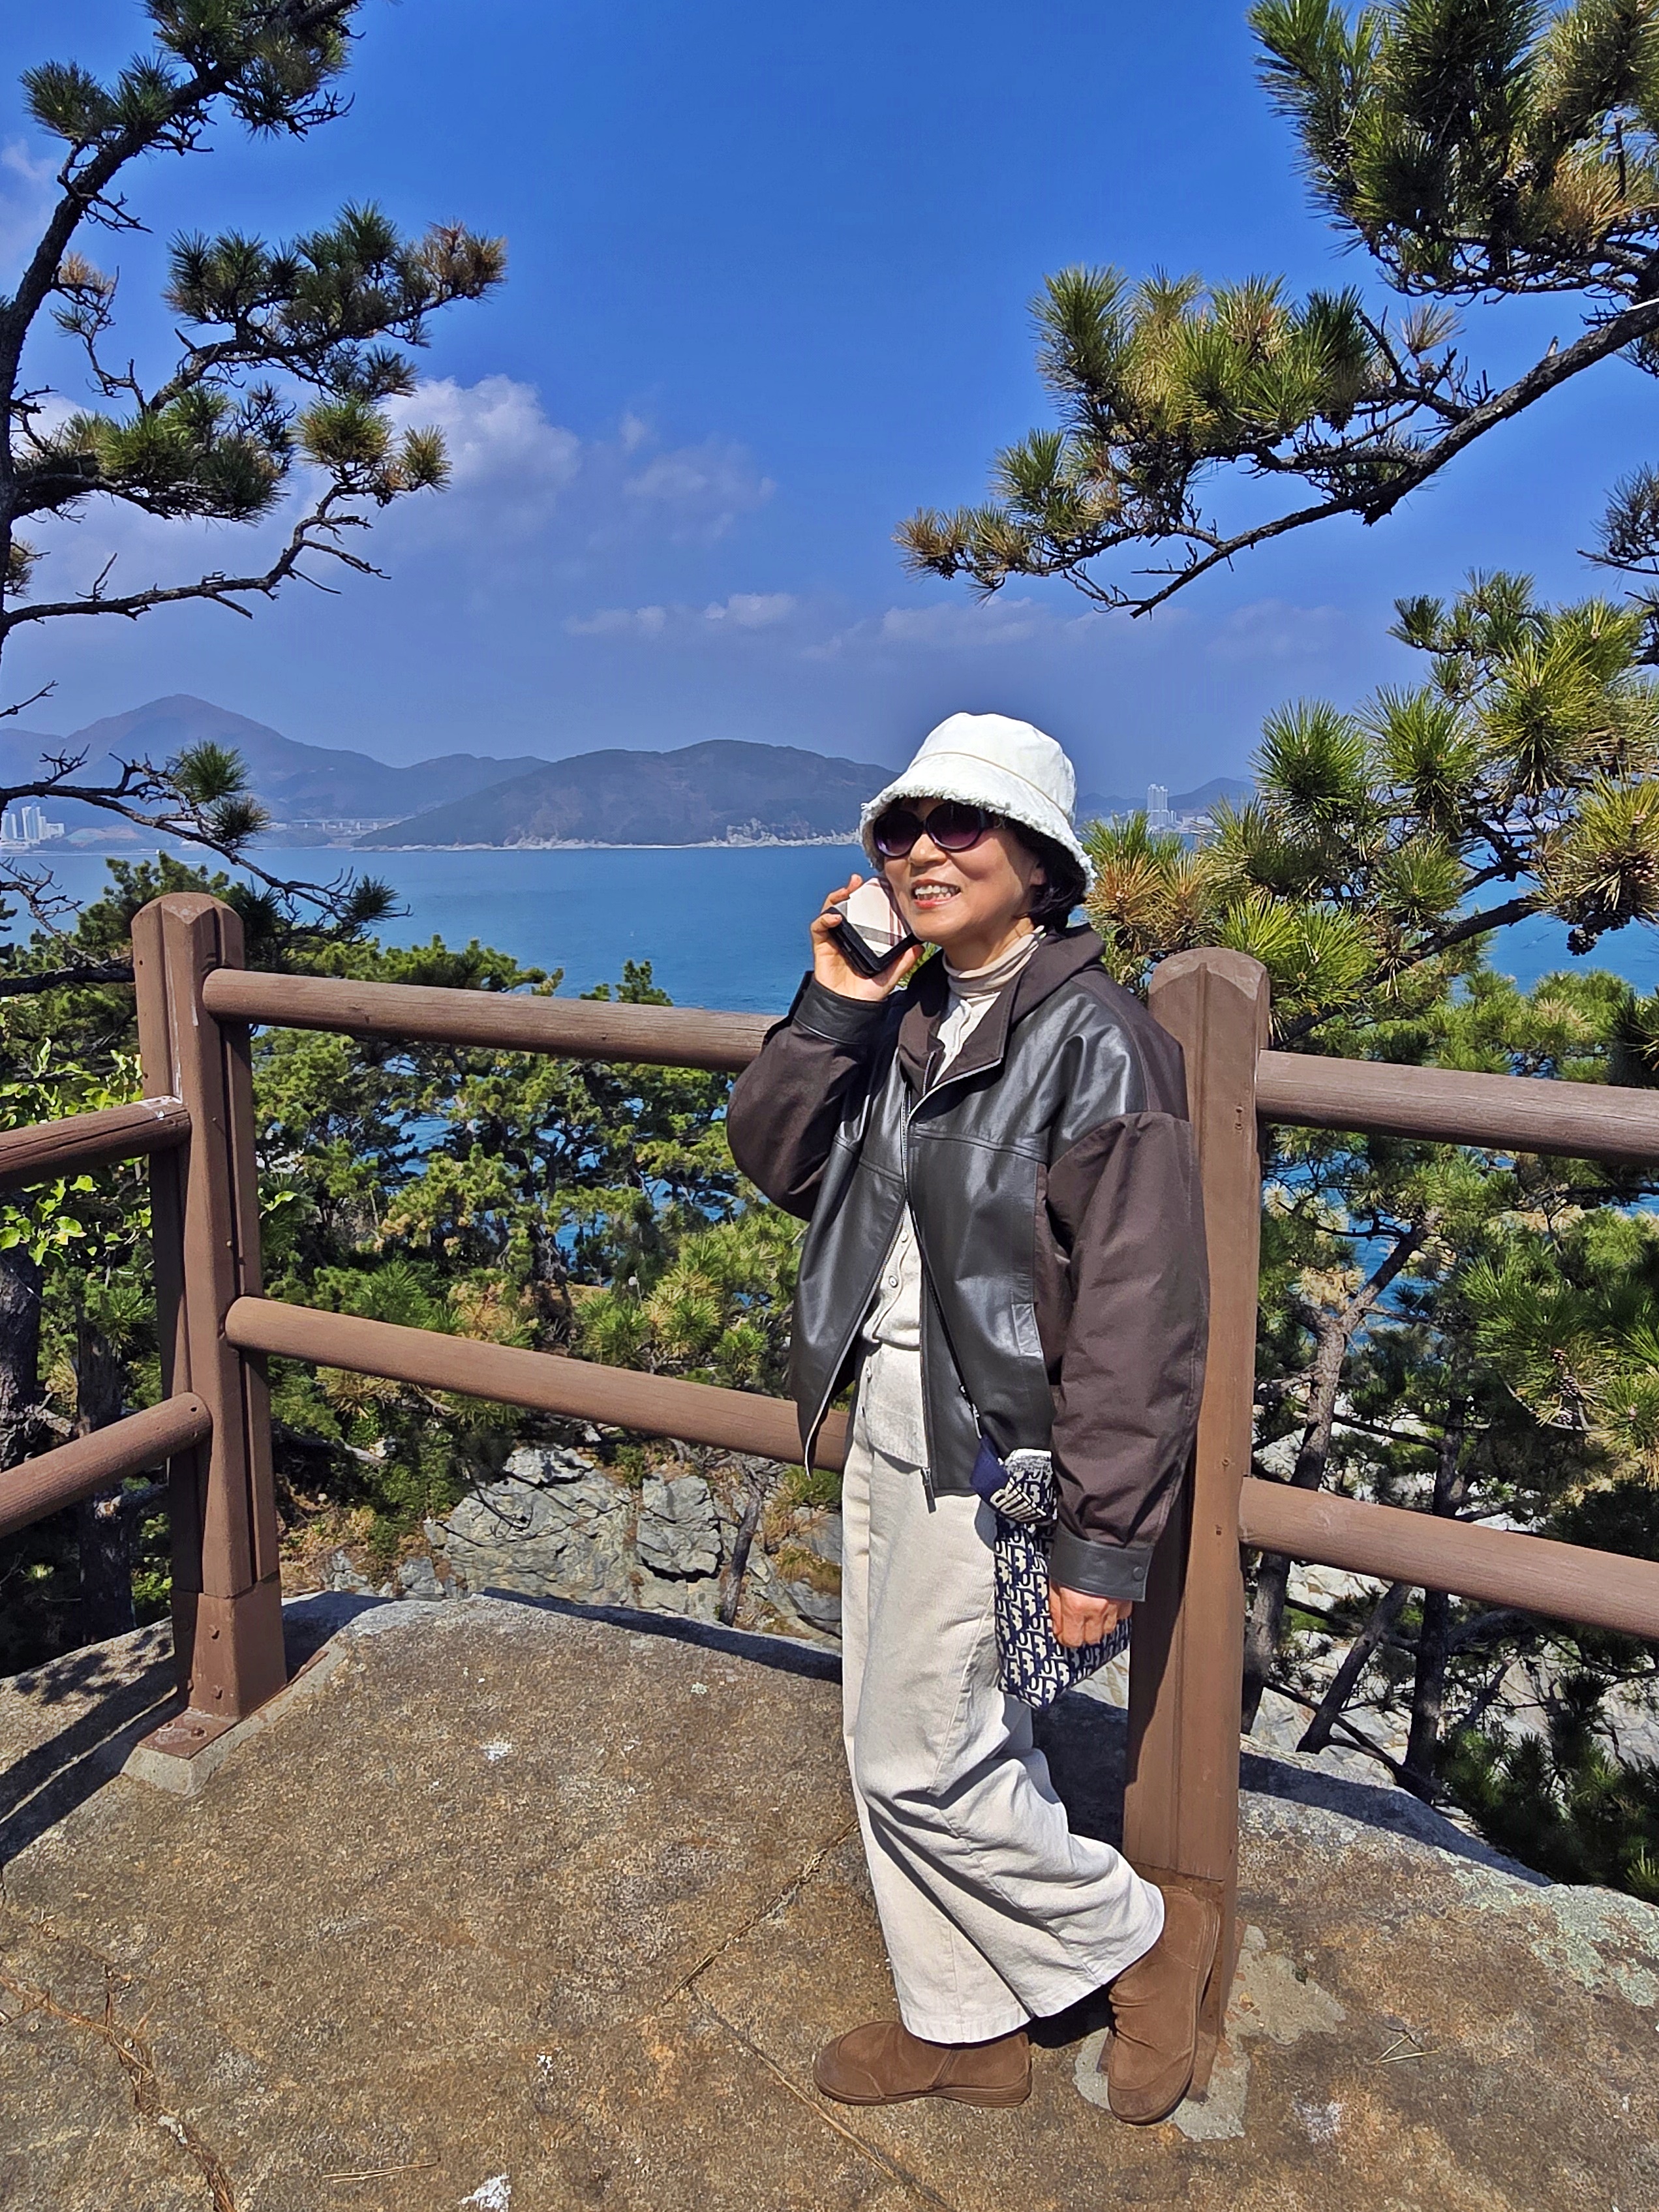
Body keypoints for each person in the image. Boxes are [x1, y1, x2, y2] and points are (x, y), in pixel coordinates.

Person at [725, 712, 1214, 2124]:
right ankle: (964, 2024)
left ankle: (1142, 1936)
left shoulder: (1102, 1045)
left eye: (961, 826)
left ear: (1041, 863)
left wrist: (1103, 1541)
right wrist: (834, 1004)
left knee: (920, 1754)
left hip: (997, 1451)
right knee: (891, 1736)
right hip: (888, 1406)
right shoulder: (910, 1013)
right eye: (901, 829)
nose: (923, 851)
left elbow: (1139, 1314)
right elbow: (776, 1158)